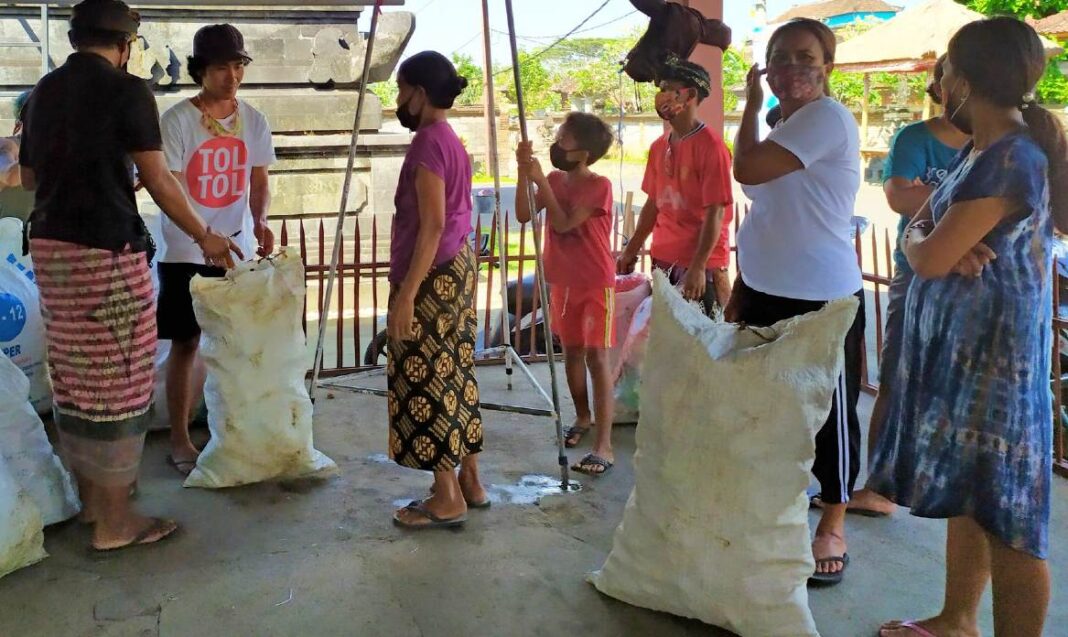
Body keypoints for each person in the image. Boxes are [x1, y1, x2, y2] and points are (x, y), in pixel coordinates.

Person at [17, 0, 239, 551]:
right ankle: (117, 523)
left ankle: (94, 503)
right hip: (106, 250)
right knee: (118, 379)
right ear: (125, 45)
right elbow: (160, 179)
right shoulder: (127, 89)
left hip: (50, 248)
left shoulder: (43, 91)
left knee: (74, 374)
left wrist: (105, 174)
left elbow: (28, 173)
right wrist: (205, 234)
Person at [869, 18, 1064, 637]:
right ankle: (957, 620)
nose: (940, 79)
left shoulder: (1012, 156)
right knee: (973, 493)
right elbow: (923, 226)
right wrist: (936, 238)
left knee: (1008, 511)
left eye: (947, 68)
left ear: (968, 77)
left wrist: (934, 242)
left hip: (997, 365)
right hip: (966, 357)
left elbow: (924, 251)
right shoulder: (978, 148)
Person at [728, 18, 864, 586]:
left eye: (805, 56)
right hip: (764, 286)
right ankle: (773, 511)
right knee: (768, 407)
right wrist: (740, 287)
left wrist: (747, 108)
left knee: (829, 414)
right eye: (779, 56)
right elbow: (762, 201)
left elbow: (744, 168)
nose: (790, 67)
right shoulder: (783, 124)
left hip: (820, 294)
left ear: (827, 65)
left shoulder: (827, 118)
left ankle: (833, 520)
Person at [825, 55, 968, 518]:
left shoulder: (1000, 146)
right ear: (939, 88)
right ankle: (881, 484)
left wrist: (948, 209)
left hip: (974, 273)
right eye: (946, 81)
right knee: (897, 373)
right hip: (917, 270)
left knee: (962, 383)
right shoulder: (916, 139)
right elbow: (897, 194)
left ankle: (950, 476)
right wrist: (969, 205)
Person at [158, 23, 275, 476]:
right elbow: (166, 183)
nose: (231, 75)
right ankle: (180, 438)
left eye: (237, 65)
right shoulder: (177, 121)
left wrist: (260, 220)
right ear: (200, 71)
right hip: (185, 252)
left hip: (236, 252)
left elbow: (260, 180)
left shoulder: (255, 120)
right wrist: (201, 233)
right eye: (221, 66)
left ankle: (233, 425)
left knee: (236, 341)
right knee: (185, 343)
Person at [386, 51, 486, 530]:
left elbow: (431, 226)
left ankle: (446, 497)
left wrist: (406, 294)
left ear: (419, 93)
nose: (398, 100)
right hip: (456, 267)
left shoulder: (427, 143)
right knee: (456, 370)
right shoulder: (451, 140)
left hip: (430, 275)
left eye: (401, 90)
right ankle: (470, 480)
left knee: (426, 378)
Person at [514, 112, 617, 475]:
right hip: (563, 280)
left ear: (584, 153)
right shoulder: (555, 179)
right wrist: (524, 172)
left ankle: (604, 446)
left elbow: (563, 223)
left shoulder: (598, 186)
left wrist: (541, 178)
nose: (557, 146)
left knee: (597, 358)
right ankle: (583, 416)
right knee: (571, 352)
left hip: (594, 281)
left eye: (564, 141)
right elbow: (524, 213)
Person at [617, 55, 734, 317]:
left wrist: (699, 266)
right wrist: (631, 249)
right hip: (664, 259)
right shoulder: (659, 146)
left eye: (670, 89)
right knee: (669, 336)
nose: (662, 95)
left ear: (690, 94)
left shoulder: (712, 147)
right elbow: (653, 203)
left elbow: (716, 212)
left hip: (701, 265)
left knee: (707, 342)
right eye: (661, 89)